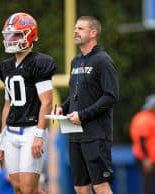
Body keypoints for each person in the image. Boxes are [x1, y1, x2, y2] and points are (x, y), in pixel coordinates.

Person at [55, 16, 119, 194]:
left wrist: (83, 115)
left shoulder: (103, 60)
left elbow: (111, 96)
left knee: (100, 185)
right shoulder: (75, 61)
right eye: (75, 28)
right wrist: (64, 107)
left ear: (93, 32)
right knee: (80, 188)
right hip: (75, 135)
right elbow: (76, 95)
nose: (75, 31)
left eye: (80, 29)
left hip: (96, 135)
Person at [0, 12, 56, 194]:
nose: (12, 39)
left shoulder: (39, 63)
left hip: (31, 130)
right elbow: (8, 105)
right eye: (9, 35)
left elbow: (47, 102)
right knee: (18, 188)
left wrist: (39, 134)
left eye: (17, 35)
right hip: (11, 131)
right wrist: (1, 136)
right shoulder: (5, 67)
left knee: (29, 189)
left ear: (29, 35)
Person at [130, 94, 155, 194]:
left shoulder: (146, 116)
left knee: (151, 184)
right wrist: (146, 158)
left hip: (149, 158)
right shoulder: (145, 118)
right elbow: (141, 139)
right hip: (146, 158)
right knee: (148, 185)